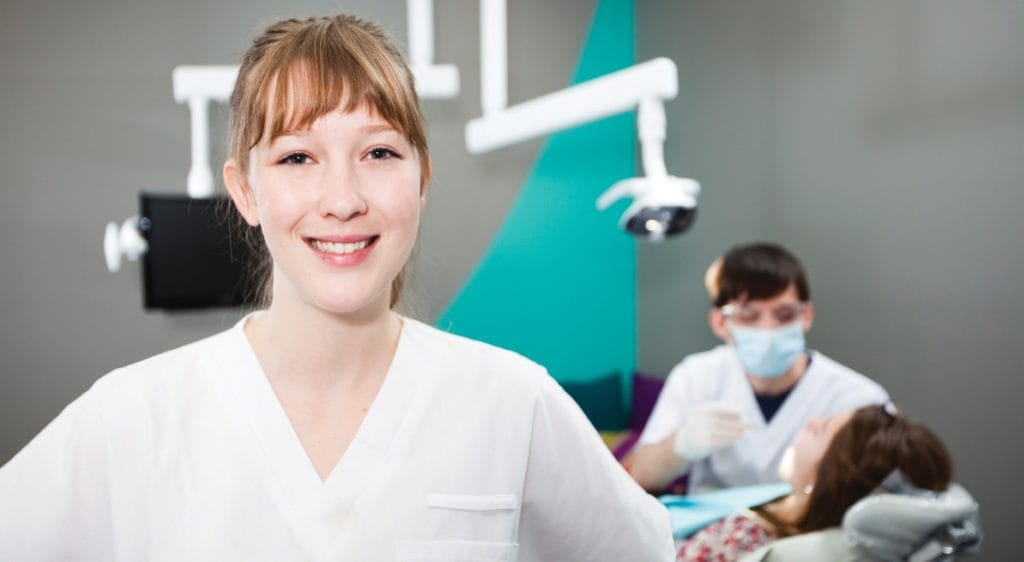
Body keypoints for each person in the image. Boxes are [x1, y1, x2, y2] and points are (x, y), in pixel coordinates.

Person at [0, 15, 674, 561]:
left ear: (422, 177)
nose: (343, 199)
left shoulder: (513, 404)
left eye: (379, 153)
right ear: (245, 191)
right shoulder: (133, 418)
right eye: (297, 157)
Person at [630, 243, 888, 493]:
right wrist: (680, 445)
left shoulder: (859, 400)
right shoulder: (696, 377)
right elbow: (634, 478)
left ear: (806, 315)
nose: (768, 329)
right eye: (749, 315)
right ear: (720, 322)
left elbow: (901, 496)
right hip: (717, 529)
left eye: (785, 314)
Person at [675, 403, 953, 561]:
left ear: (831, 477)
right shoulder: (786, 504)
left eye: (820, 431)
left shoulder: (742, 540)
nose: (810, 422)